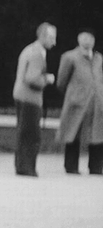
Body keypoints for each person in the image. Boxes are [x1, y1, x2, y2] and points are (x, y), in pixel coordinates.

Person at [55, 28, 103, 174]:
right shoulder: (70, 57)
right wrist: (74, 93)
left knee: (97, 134)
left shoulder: (98, 58)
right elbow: (61, 82)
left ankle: (96, 167)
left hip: (96, 103)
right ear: (78, 39)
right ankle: (71, 166)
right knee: (73, 133)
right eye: (84, 38)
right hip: (77, 102)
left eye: (90, 38)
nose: (88, 41)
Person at [12, 22, 57, 176]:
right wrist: (47, 79)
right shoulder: (38, 53)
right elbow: (32, 78)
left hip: (20, 95)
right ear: (43, 36)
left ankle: (21, 166)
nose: (54, 42)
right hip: (30, 98)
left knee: (23, 132)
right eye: (52, 38)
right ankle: (27, 168)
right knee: (32, 134)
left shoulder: (29, 49)